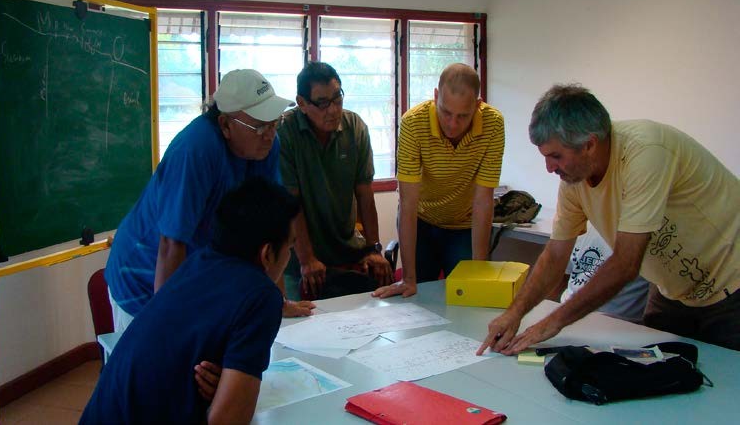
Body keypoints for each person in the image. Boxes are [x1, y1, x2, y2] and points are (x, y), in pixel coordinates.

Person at [478, 84, 740, 355]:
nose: (549, 167)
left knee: (727, 376)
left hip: (731, 283)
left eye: (556, 156)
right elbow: (555, 255)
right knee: (659, 368)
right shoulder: (574, 181)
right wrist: (514, 314)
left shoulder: (645, 152)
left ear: (589, 145)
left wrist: (551, 323)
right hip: (673, 291)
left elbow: (626, 263)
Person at [104, 69, 313, 333]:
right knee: (159, 351)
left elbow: (272, 228)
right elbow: (171, 245)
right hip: (143, 274)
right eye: (260, 126)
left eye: (274, 122)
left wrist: (276, 302)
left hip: (197, 273)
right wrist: (165, 328)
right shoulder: (195, 150)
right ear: (225, 125)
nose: (269, 134)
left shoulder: (266, 146)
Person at [80, 177, 300, 424]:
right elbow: (226, 420)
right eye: (290, 248)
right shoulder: (261, 296)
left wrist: (227, 386)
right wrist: (232, 395)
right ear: (267, 253)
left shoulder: (198, 262)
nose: (289, 256)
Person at [374, 63, 505, 299]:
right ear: (436, 97)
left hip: (463, 225)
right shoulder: (413, 123)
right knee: (417, 297)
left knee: (467, 295)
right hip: (422, 220)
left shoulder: (493, 124)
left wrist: (478, 274)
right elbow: (408, 203)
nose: (452, 124)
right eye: (445, 112)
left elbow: (483, 201)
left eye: (463, 116)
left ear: (478, 105)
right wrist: (408, 278)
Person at [278, 62, 392, 299]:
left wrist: (373, 248)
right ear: (302, 103)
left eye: (337, 99)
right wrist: (307, 259)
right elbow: (290, 203)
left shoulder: (355, 127)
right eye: (322, 103)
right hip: (299, 256)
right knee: (299, 317)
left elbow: (364, 193)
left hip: (346, 250)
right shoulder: (285, 132)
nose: (333, 110)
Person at [555, 224, 650, 324]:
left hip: (616, 321)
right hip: (566, 310)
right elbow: (562, 276)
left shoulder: (642, 233)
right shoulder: (583, 224)